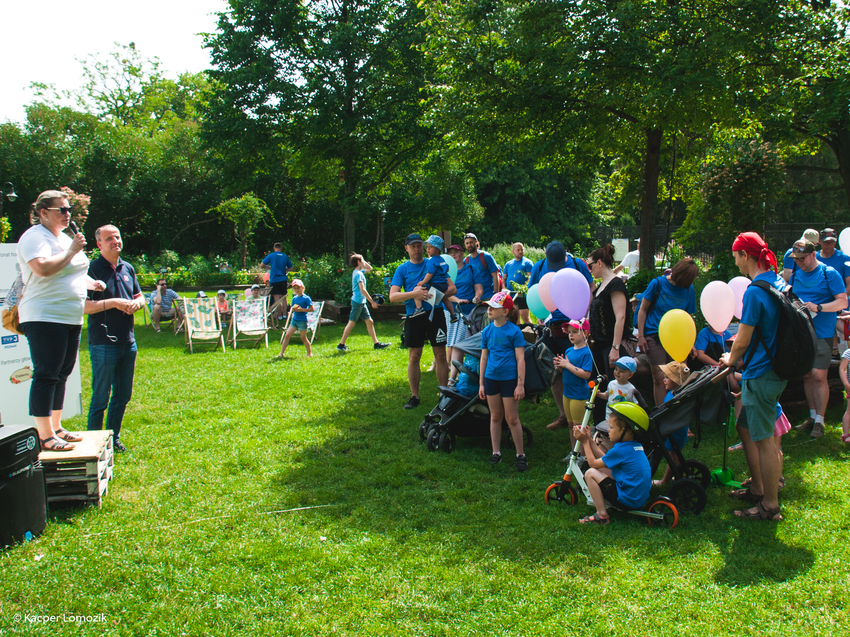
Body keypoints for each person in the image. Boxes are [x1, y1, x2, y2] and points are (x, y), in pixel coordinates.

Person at [16, 190, 106, 451]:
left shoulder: (64, 237)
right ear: (43, 213)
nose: (68, 214)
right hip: (45, 316)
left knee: (62, 372)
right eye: (62, 210)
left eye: (69, 210)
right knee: (46, 373)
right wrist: (72, 250)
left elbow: (73, 271)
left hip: (70, 316)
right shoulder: (34, 237)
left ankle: (56, 427)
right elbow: (43, 268)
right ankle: (44, 435)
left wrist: (92, 283)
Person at [719, 231, 788, 521]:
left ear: (745, 256)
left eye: (736, 256)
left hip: (761, 373)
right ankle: (760, 487)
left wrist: (729, 360)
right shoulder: (778, 282)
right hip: (777, 370)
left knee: (765, 441)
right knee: (756, 430)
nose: (735, 263)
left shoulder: (755, 292)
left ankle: (769, 506)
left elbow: (743, 339)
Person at [84, 225, 145, 453]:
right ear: (99, 244)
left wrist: (135, 304)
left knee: (123, 395)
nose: (115, 241)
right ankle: (92, 445)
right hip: (103, 343)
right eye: (109, 238)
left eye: (117, 237)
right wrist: (115, 303)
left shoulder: (127, 267)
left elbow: (140, 297)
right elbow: (85, 307)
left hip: (128, 342)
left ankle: (113, 438)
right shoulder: (92, 270)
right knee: (101, 397)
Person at [529, 241, 595, 429]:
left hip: (575, 327)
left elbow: (590, 287)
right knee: (555, 370)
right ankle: (563, 415)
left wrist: (585, 312)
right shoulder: (540, 266)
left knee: (578, 369)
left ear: (566, 253)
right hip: (552, 328)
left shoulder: (577, 264)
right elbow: (534, 291)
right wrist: (540, 315)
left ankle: (581, 414)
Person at [786, 239, 847, 438]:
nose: (800, 262)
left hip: (823, 332)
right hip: (802, 333)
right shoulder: (796, 275)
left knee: (819, 375)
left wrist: (819, 307)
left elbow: (842, 301)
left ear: (814, 254)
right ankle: (812, 416)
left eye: (802, 258)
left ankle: (820, 421)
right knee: (806, 375)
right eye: (796, 259)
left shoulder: (829, 273)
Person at [389, 233, 456, 409]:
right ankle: (414, 397)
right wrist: (414, 294)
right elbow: (393, 296)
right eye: (413, 246)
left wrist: (435, 295)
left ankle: (444, 395)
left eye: (420, 245)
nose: (417, 249)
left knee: (441, 355)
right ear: (407, 248)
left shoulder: (433, 262)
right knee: (414, 356)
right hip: (414, 315)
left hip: (436, 314)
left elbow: (452, 288)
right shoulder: (402, 269)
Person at [572, 402, 652, 525]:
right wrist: (589, 439)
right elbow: (606, 459)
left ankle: (602, 516)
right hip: (638, 499)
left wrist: (584, 442)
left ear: (624, 431)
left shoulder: (621, 450)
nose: (608, 430)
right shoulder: (634, 446)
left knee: (590, 473)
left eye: (612, 428)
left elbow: (592, 463)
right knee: (602, 468)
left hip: (628, 501)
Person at [637, 257, 699, 407]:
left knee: (678, 377)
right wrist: (641, 336)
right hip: (654, 335)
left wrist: (690, 342)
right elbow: (642, 310)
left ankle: (678, 417)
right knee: (659, 378)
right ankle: (661, 415)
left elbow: (688, 316)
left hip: (678, 338)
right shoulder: (657, 284)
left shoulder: (689, 289)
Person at [478, 291, 528, 471]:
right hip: (491, 379)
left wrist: (520, 384)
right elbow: (483, 358)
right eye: (489, 306)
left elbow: (520, 359)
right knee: (496, 416)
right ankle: (496, 452)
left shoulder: (514, 332)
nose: (489, 310)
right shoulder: (487, 331)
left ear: (505, 311)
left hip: (509, 380)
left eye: (494, 307)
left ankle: (520, 455)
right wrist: (481, 383)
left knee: (512, 418)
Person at [587, 244, 633, 421]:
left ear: (599, 263)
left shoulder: (615, 284)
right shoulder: (599, 287)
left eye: (590, 265)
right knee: (597, 387)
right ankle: (600, 427)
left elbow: (620, 317)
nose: (589, 270)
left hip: (610, 346)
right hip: (597, 346)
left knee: (614, 389)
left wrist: (615, 348)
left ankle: (617, 427)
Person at [337, 254, 390, 352]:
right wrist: (372, 302)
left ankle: (376, 344)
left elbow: (370, 269)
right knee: (352, 323)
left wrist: (364, 262)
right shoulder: (359, 274)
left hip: (361, 302)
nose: (364, 261)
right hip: (358, 302)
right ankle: (341, 345)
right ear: (358, 262)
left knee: (369, 321)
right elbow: (363, 290)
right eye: (362, 260)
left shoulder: (358, 272)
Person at [551, 319, 593, 439]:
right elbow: (566, 371)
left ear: (585, 333)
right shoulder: (569, 350)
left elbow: (586, 374)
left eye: (575, 332)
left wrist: (567, 365)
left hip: (579, 395)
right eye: (569, 332)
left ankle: (583, 454)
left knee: (579, 427)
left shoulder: (586, 352)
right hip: (567, 393)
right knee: (571, 425)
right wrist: (560, 365)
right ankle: (574, 453)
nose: (571, 335)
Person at [652, 361, 689, 487]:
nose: (664, 379)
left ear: (676, 380)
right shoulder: (672, 394)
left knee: (673, 456)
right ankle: (676, 474)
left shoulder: (677, 397)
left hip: (675, 431)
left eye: (667, 377)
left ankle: (665, 481)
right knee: (675, 455)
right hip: (673, 429)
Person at [446, 244, 477, 386]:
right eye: (451, 252)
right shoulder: (446, 271)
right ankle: (453, 376)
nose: (453, 254)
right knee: (454, 343)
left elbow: (479, 288)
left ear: (463, 253)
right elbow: (445, 292)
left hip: (470, 312)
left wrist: (477, 297)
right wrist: (458, 300)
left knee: (460, 344)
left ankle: (456, 376)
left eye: (456, 252)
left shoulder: (471, 269)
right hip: (451, 311)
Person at [413, 235, 457, 322]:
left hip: (436, 285)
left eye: (431, 247)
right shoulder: (442, 260)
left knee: (416, 289)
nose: (428, 249)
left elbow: (430, 274)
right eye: (427, 247)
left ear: (438, 249)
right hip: (444, 285)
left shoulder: (431, 261)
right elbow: (447, 268)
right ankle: (453, 315)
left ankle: (419, 309)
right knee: (445, 298)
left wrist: (422, 282)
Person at [276, 279, 314, 358]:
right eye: (295, 288)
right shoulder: (294, 298)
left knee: (303, 338)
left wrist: (302, 310)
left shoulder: (306, 298)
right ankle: (281, 353)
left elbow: (312, 309)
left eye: (298, 288)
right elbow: (292, 308)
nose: (296, 290)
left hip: (302, 321)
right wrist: (293, 309)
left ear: (302, 288)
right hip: (294, 320)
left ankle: (309, 353)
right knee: (287, 335)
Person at [261, 243, 294, 321]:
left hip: (274, 279)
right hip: (283, 279)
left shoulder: (271, 255)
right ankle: (285, 315)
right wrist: (285, 269)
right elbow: (291, 268)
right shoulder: (285, 256)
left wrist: (268, 267)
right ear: (281, 248)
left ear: (274, 248)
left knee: (277, 298)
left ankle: (279, 316)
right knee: (284, 298)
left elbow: (261, 265)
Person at [463, 233, 500, 302]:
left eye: (471, 242)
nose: (469, 245)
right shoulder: (466, 261)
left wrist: (495, 294)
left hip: (488, 297)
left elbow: (495, 275)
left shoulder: (486, 256)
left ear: (477, 242)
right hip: (474, 299)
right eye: (467, 243)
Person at [503, 242, 533, 322]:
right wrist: (504, 289)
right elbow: (504, 278)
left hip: (522, 294)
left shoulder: (527, 263)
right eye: (518, 250)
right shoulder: (508, 264)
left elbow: (530, 278)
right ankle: (519, 333)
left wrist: (523, 288)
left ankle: (532, 333)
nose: (520, 251)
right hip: (511, 294)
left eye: (522, 250)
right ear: (513, 251)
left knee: (524, 316)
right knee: (514, 317)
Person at [840, 348, 850, 444]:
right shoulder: (848, 353)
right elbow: (842, 369)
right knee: (849, 410)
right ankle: (846, 434)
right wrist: (846, 384)